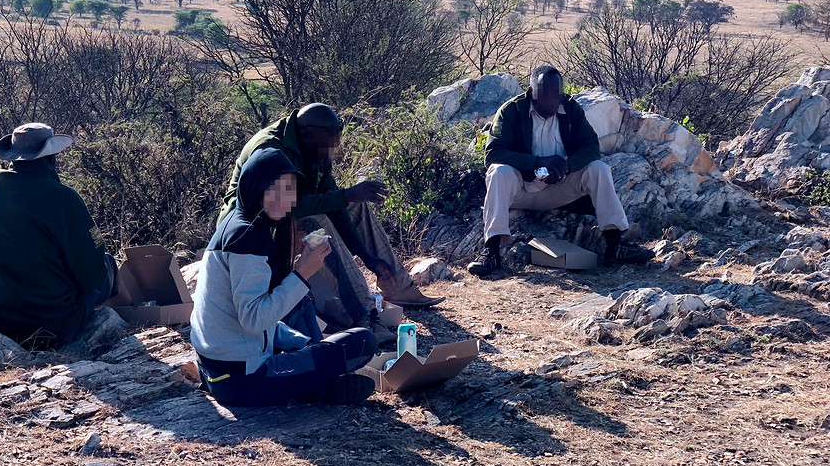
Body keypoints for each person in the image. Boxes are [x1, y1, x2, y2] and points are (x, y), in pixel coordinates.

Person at [220, 104, 443, 335]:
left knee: (354, 205)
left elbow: (335, 205)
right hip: (253, 230)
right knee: (316, 221)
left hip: (282, 219)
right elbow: (276, 206)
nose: (330, 152)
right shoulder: (270, 148)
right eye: (327, 145)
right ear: (305, 134)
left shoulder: (314, 147)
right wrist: (345, 195)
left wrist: (369, 258)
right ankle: (362, 313)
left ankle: (396, 285)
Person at [191, 147, 378, 406]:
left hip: (216, 369)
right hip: (241, 378)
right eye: (273, 189)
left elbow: (245, 316)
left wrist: (301, 344)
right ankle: (317, 388)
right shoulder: (245, 237)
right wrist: (302, 273)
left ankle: (310, 377)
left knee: (300, 304)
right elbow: (254, 319)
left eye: (289, 189)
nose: (282, 198)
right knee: (362, 343)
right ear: (255, 186)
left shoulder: (238, 222)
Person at [469, 66, 654, 277]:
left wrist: (567, 166)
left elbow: (591, 147)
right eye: (543, 96)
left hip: (560, 188)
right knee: (498, 172)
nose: (549, 102)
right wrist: (536, 161)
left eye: (555, 96)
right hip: (521, 189)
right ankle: (491, 251)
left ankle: (614, 245)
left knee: (599, 169)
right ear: (531, 92)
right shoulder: (512, 111)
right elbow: (493, 153)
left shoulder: (571, 110)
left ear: (561, 93)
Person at [0, 123, 117, 349]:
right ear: (51, 158)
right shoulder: (63, 198)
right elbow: (91, 273)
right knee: (108, 266)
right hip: (46, 325)